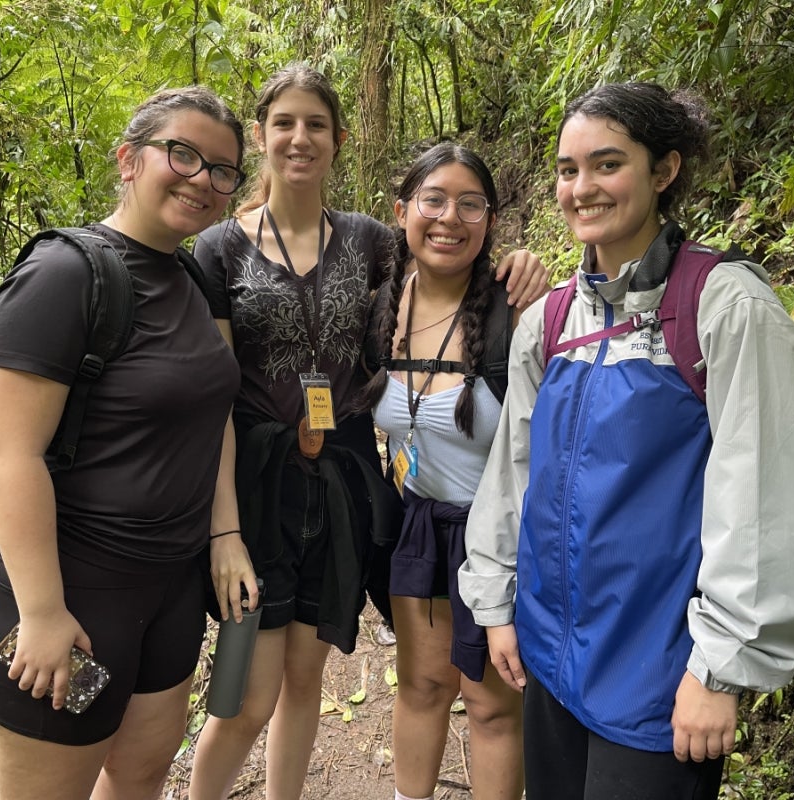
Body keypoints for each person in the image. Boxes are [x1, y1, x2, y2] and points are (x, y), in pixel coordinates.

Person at [458, 81, 794, 800]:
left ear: (663, 171)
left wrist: (721, 668)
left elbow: (769, 493)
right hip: (552, 655)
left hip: (662, 674)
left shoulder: (724, 306)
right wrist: (498, 604)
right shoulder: (552, 321)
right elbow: (514, 475)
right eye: (568, 170)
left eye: (607, 165)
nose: (581, 188)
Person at [188, 63, 550, 800]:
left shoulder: (366, 242)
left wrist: (522, 264)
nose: (299, 138)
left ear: (339, 139)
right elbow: (212, 397)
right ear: (259, 135)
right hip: (259, 484)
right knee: (242, 691)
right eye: (283, 123)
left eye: (316, 124)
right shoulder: (218, 249)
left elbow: (445, 266)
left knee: (306, 675)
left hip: (346, 481)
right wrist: (221, 529)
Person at [0, 86, 246, 800]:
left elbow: (212, 415)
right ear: (128, 159)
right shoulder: (62, 275)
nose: (202, 178)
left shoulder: (191, 274)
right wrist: (41, 612)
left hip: (171, 587)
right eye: (181, 153)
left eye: (222, 169)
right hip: (72, 590)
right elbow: (8, 450)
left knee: (141, 777)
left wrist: (225, 531)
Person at [363, 142, 526, 800]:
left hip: (499, 544)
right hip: (417, 528)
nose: (449, 218)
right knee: (423, 686)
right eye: (433, 200)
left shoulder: (514, 312)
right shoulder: (378, 307)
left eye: (470, 204)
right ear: (403, 211)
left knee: (489, 706)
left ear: (489, 221)